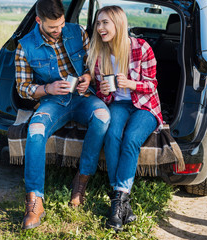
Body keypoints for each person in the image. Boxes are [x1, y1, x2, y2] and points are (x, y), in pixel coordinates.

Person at [15, 0, 110, 230]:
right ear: (39, 21)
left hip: (82, 96)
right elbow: (22, 87)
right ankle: (35, 201)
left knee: (103, 116)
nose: (59, 31)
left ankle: (81, 180)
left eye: (61, 24)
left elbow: (92, 65)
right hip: (52, 101)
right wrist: (48, 89)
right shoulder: (24, 46)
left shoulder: (76, 31)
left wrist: (88, 78)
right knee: (35, 129)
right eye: (52, 28)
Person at [87, 6, 164, 231]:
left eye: (105, 23)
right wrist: (103, 90)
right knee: (112, 135)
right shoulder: (99, 53)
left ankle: (118, 201)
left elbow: (152, 85)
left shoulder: (142, 48)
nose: (100, 28)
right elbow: (104, 95)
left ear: (118, 24)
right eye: (98, 23)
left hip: (145, 105)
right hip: (119, 104)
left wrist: (131, 84)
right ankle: (120, 201)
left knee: (131, 138)